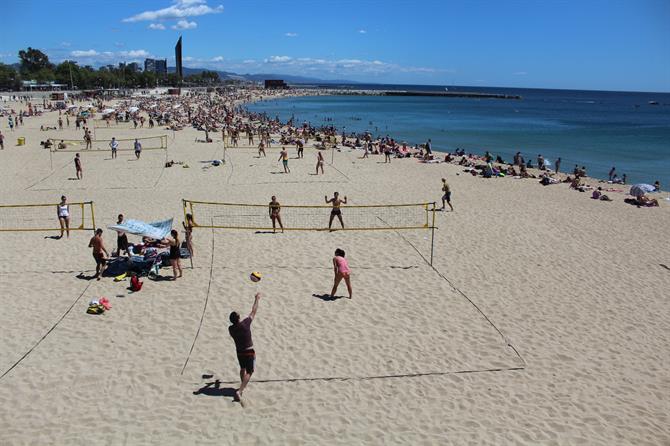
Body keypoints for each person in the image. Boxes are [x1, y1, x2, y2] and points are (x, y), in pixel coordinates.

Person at [229, 292, 262, 402]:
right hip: (248, 351)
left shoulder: (231, 329)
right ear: (238, 318)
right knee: (250, 371)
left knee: (242, 368)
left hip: (239, 352)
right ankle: (240, 391)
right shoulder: (245, 324)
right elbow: (254, 311)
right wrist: (257, 299)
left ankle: (242, 386)